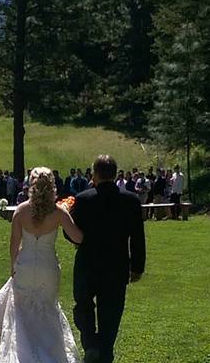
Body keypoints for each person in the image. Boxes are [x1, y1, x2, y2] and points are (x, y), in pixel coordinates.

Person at [0, 167, 84, 362]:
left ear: (31, 185)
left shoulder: (21, 210)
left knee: (22, 313)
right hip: (47, 268)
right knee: (47, 311)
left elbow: (14, 243)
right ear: (52, 187)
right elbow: (78, 237)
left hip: (24, 265)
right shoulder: (58, 212)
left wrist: (13, 266)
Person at [67, 155, 146, 363]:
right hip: (116, 265)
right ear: (115, 173)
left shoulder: (83, 199)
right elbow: (138, 237)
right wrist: (137, 267)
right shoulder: (131, 200)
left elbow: (71, 233)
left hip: (87, 264)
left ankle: (91, 344)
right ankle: (105, 351)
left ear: (94, 174)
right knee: (111, 311)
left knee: (83, 305)